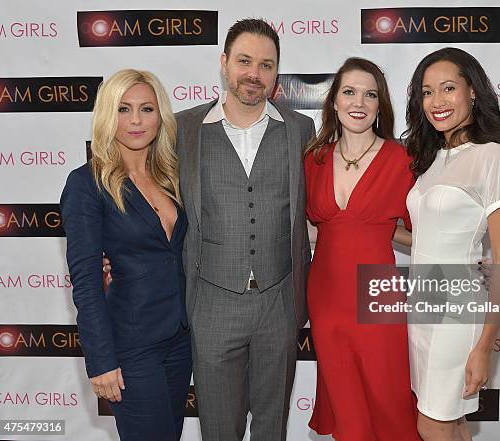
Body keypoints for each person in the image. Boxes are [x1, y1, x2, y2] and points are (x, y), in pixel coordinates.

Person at [174, 19, 315, 441]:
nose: (254, 73)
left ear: (276, 73)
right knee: (219, 428)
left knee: (272, 426)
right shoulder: (183, 129)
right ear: (224, 63)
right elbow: (152, 199)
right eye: (245, 61)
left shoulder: (300, 129)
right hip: (212, 302)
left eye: (266, 64)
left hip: (279, 301)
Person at [60, 69, 192, 441]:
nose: (136, 120)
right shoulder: (87, 184)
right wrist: (101, 362)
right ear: (106, 115)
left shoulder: (172, 176)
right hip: (131, 345)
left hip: (180, 338)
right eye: (123, 109)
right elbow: (85, 281)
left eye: (147, 109)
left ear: (160, 117)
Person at [400, 47, 500, 441]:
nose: (437, 101)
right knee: (453, 423)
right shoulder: (434, 158)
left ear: (472, 91)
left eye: (448, 88)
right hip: (423, 307)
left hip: (456, 312)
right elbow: (429, 239)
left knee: (431, 423)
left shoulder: (492, 157)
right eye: (427, 92)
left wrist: (485, 345)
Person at [304, 57, 421, 441]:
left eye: (370, 94)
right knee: (348, 414)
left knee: (390, 402)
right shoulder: (314, 159)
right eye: (349, 92)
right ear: (334, 102)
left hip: (376, 295)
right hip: (326, 298)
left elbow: (413, 231)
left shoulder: (401, 160)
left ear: (379, 105)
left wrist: (461, 258)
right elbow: (311, 228)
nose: (359, 102)